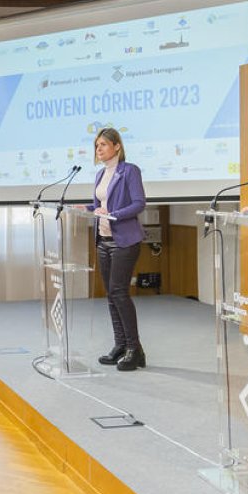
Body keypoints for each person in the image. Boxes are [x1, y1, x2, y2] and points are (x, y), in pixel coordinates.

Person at [85, 127, 147, 372]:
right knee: (111, 295)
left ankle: (135, 349)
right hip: (103, 240)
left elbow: (139, 204)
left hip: (124, 240)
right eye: (96, 146)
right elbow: (97, 205)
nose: (98, 149)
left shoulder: (129, 171)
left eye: (102, 144)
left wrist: (113, 215)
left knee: (120, 292)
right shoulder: (101, 175)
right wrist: (86, 209)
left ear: (117, 146)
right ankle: (120, 345)